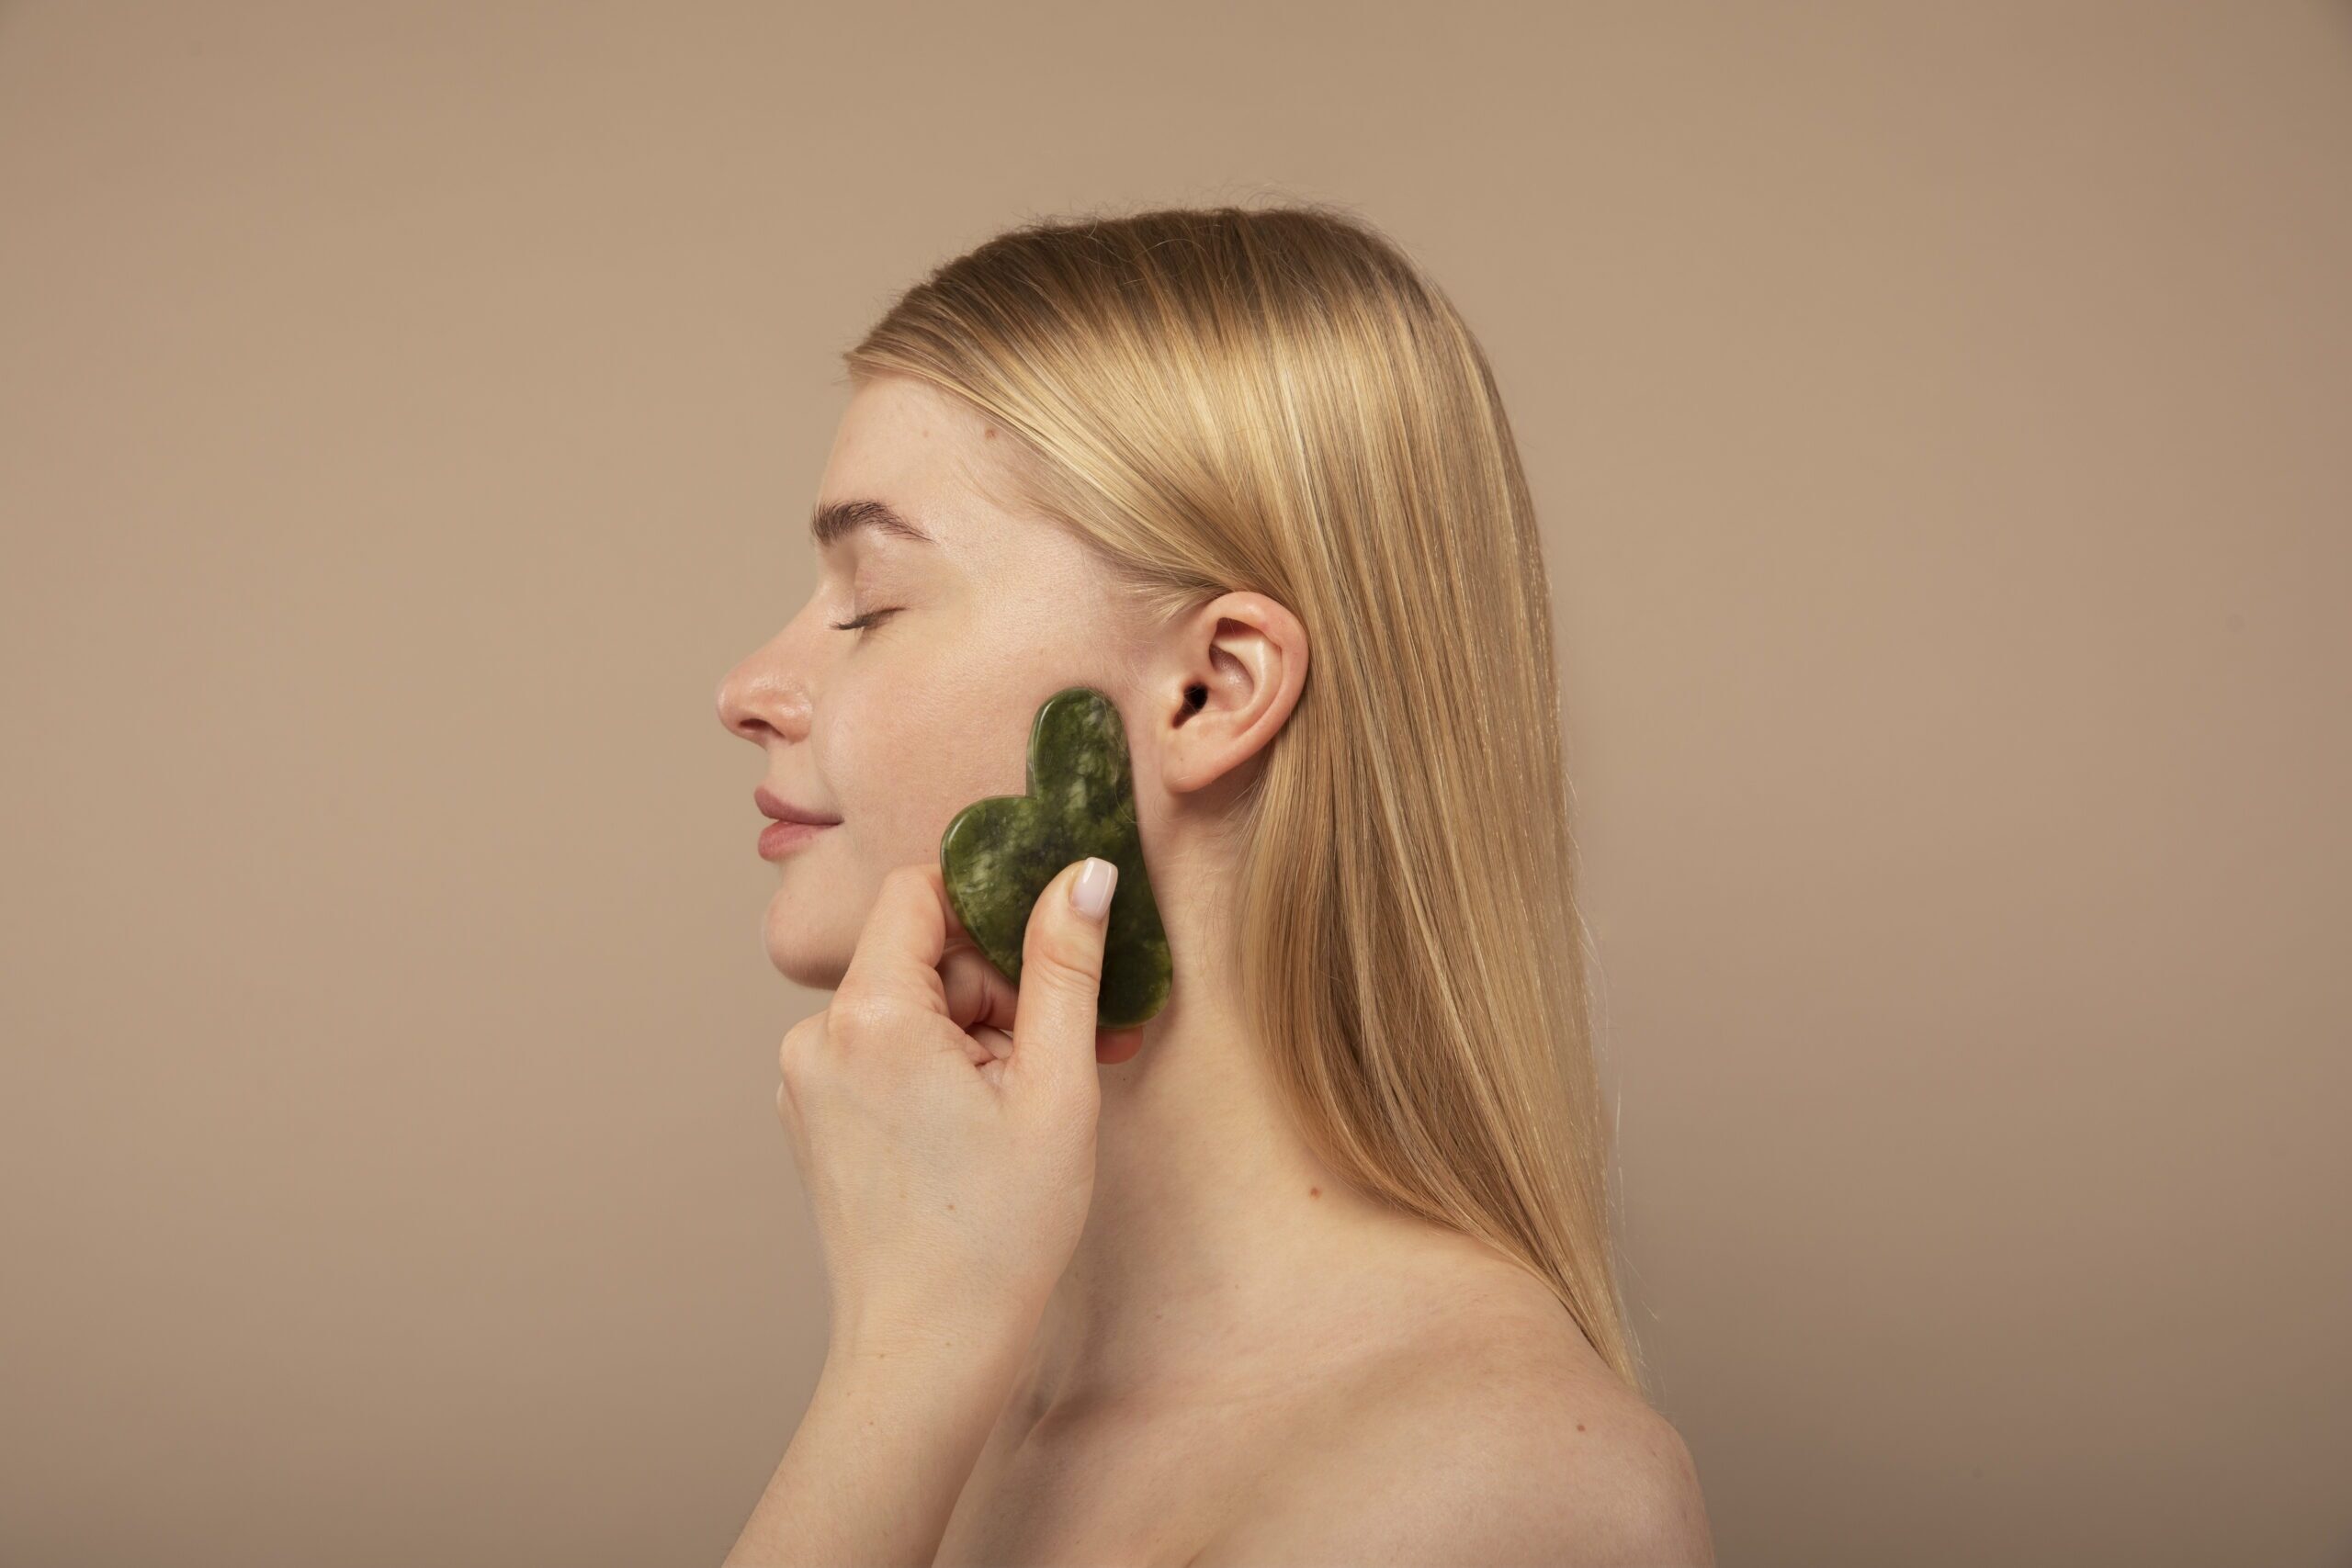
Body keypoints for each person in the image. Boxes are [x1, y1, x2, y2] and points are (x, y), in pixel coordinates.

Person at [713, 202, 1715, 1567]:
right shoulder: (1005, 1404)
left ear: (1211, 689)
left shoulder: (1486, 1490)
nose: (749, 691)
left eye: (872, 603)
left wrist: (898, 1363)